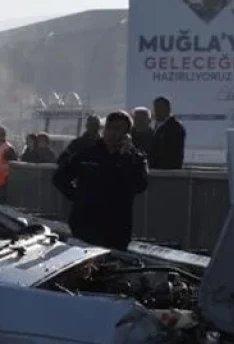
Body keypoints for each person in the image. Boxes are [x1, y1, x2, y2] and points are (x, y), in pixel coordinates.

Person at [53, 109, 149, 250]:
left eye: (118, 129)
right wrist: (79, 198)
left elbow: (141, 185)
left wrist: (128, 157)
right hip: (85, 224)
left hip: (115, 228)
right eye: (109, 128)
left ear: (126, 134)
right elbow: (59, 178)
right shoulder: (87, 153)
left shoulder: (135, 158)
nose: (112, 133)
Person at [149, 95, 186, 170]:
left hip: (168, 170)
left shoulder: (175, 128)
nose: (156, 111)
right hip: (155, 169)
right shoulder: (156, 126)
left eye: (159, 108)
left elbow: (172, 153)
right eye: (155, 108)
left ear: (168, 109)